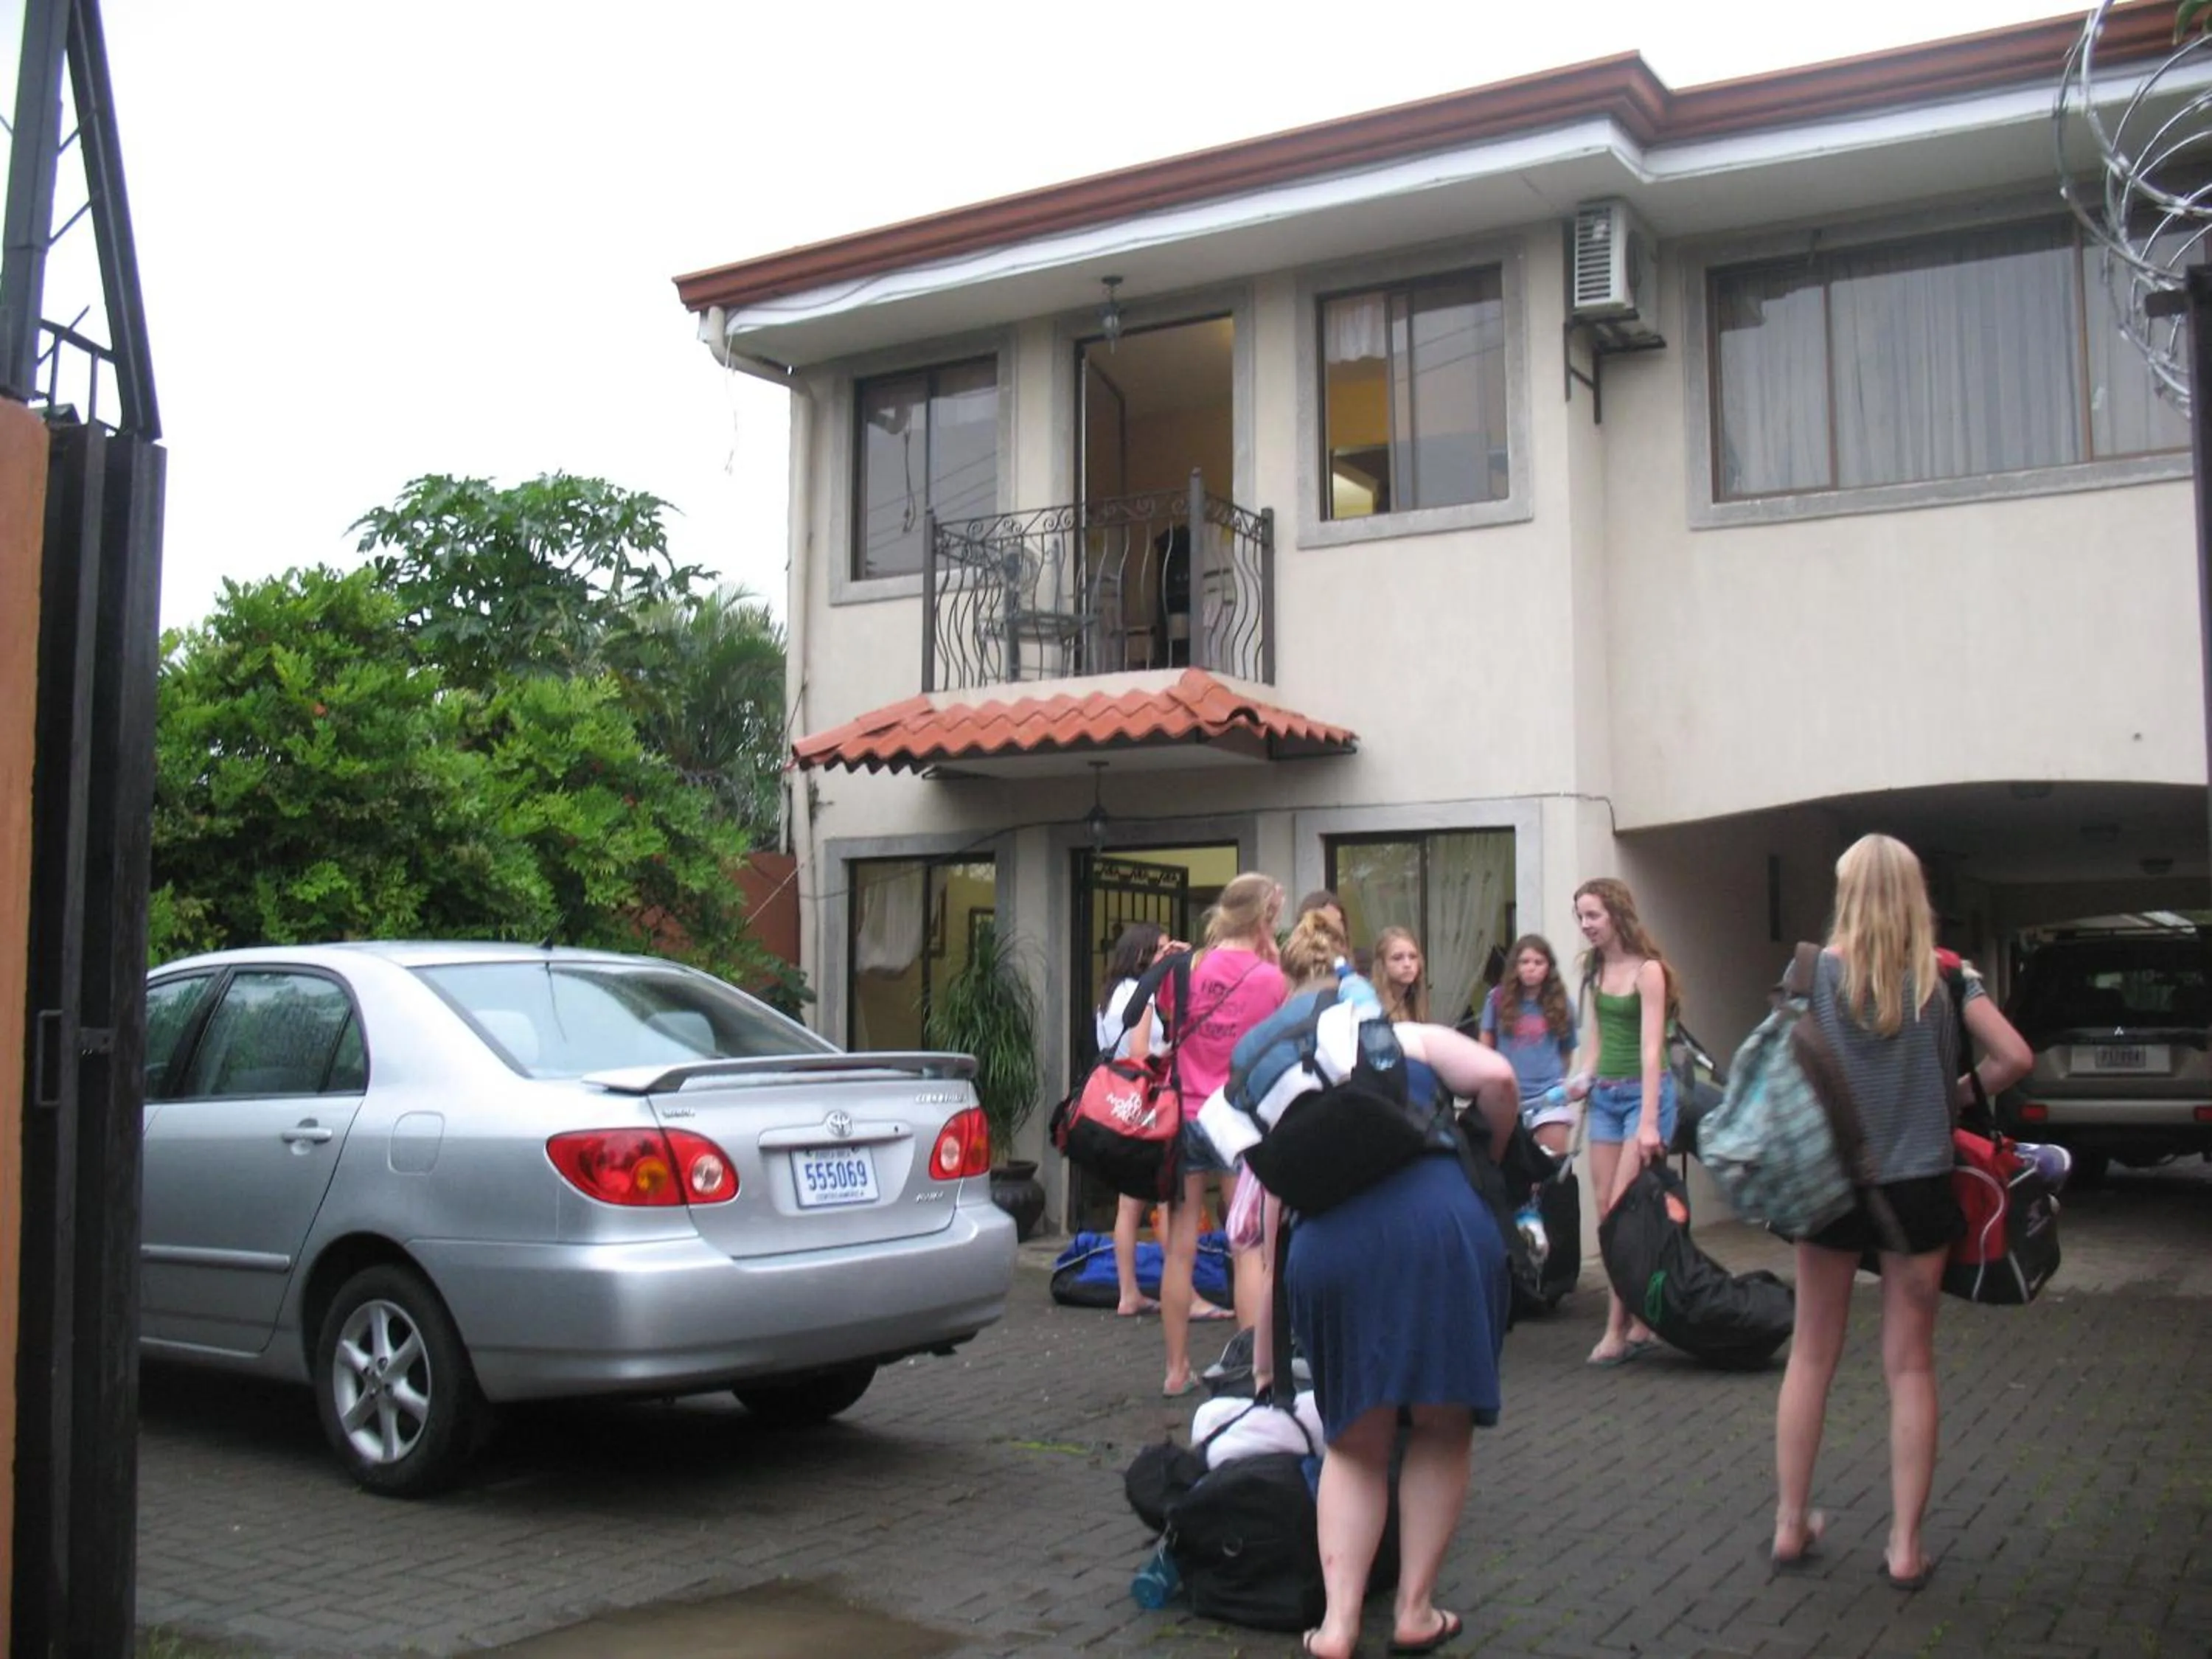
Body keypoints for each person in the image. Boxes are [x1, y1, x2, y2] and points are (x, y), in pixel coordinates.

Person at [1251, 909, 1518, 1659]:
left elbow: (1276, 1199)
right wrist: (1491, 1151)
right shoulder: (1405, 1039)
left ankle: (1336, 1627)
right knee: (1439, 1424)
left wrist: (1267, 1345)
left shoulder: (1285, 1077)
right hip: (1436, 1227)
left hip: (1328, 1245)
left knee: (1353, 1441)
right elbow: (1497, 1078)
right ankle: (1414, 1610)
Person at [1770, 834, 2031, 1586]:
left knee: (1812, 1353)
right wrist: (1951, 1095)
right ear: (1916, 893)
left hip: (1828, 1184)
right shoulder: (1949, 977)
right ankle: (1905, 1547)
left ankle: (1791, 1525)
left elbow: (1784, 1069)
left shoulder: (1810, 969)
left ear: (1847, 892)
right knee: (1910, 1365)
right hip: (1918, 1187)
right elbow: (2016, 1058)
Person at [1135, 872, 1288, 1397]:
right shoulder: (1271, 978)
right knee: (1246, 1244)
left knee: (1180, 1246)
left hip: (1186, 1117)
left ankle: (1176, 1370)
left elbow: (1158, 1034)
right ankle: (1252, 1368)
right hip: (1241, 1119)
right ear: (1265, 917)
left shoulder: (1185, 967)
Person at [1572, 877, 1680, 1366]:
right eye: (1580, 917)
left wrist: (1650, 1122)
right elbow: (1597, 1036)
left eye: (1592, 915)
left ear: (1616, 913)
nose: (1585, 925)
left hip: (1642, 1097)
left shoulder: (1649, 971)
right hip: (1607, 1098)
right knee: (1604, 1207)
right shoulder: (1595, 970)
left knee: (1620, 1211)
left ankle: (1617, 1328)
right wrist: (1581, 1078)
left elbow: (1652, 1047)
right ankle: (1640, 1318)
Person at [1094, 922, 1202, 1318]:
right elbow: (1142, 1050)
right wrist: (1175, 1047)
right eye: (1159, 949)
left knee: (1129, 1204)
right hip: (1147, 1099)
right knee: (1165, 1200)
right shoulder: (1143, 995)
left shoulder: (1109, 996)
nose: (1165, 956)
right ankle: (1185, 1293)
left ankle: (1129, 1293)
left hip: (1121, 1100)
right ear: (1142, 954)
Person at [1478, 933, 1581, 1156]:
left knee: (1551, 1169)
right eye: (1524, 962)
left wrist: (1558, 1083)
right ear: (1515, 966)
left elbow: (1566, 1051)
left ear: (1548, 967)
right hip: (1507, 1098)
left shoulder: (1562, 1003)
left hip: (1548, 1098)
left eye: (1538, 962)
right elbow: (1485, 1046)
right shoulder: (1497, 999)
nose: (1531, 968)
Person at [1370, 925, 1428, 1024]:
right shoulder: (1371, 1004)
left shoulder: (1414, 1001)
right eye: (1397, 958)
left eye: (1413, 957)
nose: (1407, 964)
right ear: (1382, 964)